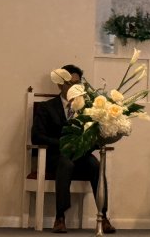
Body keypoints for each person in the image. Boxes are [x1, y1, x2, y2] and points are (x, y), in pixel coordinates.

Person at [31, 64, 116, 234]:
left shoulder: (87, 109)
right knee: (66, 164)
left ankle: (103, 217)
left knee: (95, 165)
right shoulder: (47, 108)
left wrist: (88, 143)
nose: (74, 88)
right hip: (55, 157)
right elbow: (37, 136)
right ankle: (60, 217)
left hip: (80, 156)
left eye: (77, 84)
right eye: (70, 83)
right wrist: (64, 144)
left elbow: (93, 136)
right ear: (60, 84)